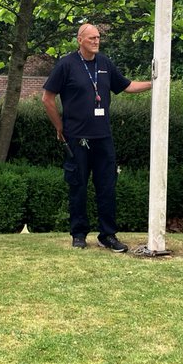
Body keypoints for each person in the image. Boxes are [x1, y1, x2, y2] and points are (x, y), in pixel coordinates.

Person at [42, 24, 152, 252]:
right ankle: (79, 234)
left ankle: (108, 235)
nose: (96, 41)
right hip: (77, 138)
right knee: (78, 186)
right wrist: (60, 127)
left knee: (107, 186)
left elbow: (127, 86)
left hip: (103, 138)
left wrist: (155, 84)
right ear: (79, 40)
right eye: (91, 37)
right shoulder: (66, 64)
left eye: (98, 37)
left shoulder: (105, 64)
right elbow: (47, 98)